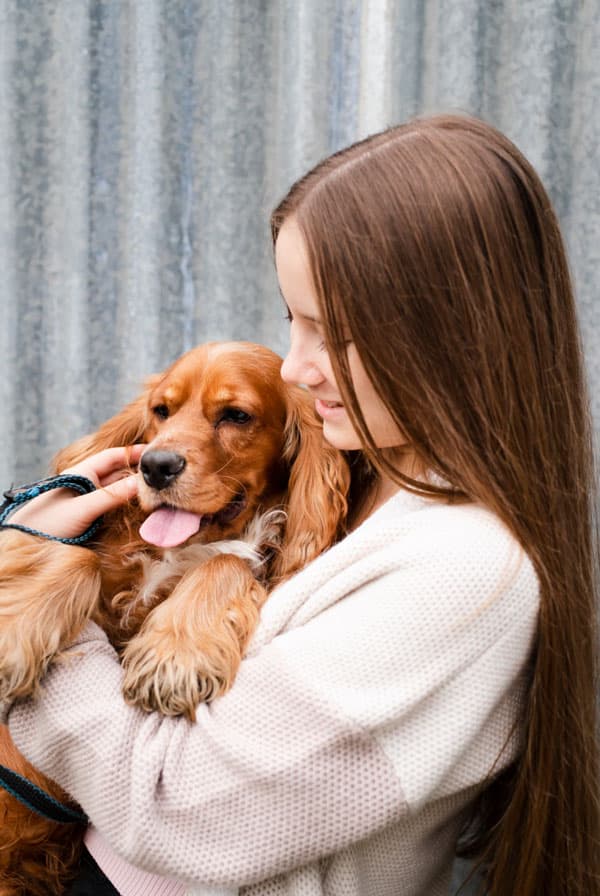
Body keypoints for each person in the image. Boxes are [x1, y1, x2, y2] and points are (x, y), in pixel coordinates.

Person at [2, 113, 599, 896]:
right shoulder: (362, 485)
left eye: (332, 332)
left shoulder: (464, 575)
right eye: (293, 322)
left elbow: (181, 813)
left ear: (449, 334)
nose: (296, 367)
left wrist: (38, 619)